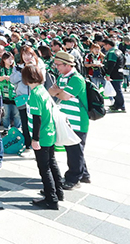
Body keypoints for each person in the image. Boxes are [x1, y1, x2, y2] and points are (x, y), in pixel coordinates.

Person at [48, 51, 90, 190]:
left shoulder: (77, 79)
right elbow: (51, 90)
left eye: (59, 65)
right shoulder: (61, 77)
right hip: (67, 119)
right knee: (74, 149)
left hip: (78, 120)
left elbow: (64, 95)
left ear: (68, 65)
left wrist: (58, 91)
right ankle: (83, 174)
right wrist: (59, 91)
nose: (57, 67)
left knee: (74, 150)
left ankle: (73, 178)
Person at [24, 64, 63, 210]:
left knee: (44, 168)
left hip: (42, 136)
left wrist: (35, 139)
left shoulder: (34, 94)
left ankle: (51, 198)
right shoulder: (43, 90)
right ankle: (58, 191)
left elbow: (37, 119)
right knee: (52, 163)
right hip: (50, 132)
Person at [101, 39, 126, 113]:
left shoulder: (112, 53)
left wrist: (108, 74)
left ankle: (121, 106)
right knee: (115, 90)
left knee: (117, 91)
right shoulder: (119, 51)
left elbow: (111, 64)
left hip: (114, 74)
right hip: (119, 72)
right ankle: (116, 105)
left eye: (104, 45)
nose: (104, 47)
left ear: (108, 45)